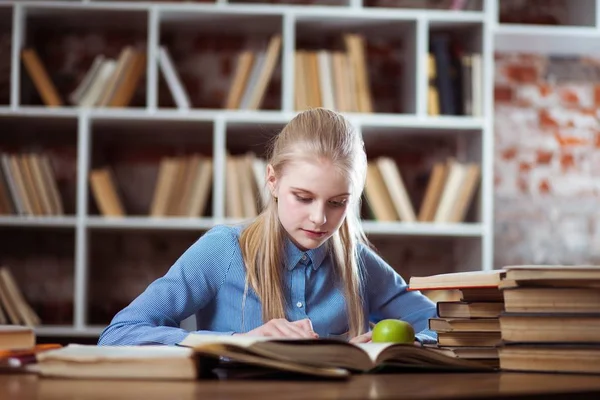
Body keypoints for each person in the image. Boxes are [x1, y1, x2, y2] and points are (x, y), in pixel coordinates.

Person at [98, 108, 438, 346]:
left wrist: (389, 345)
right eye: (303, 197)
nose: (320, 218)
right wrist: (240, 343)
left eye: (337, 203)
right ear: (273, 181)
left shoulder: (356, 261)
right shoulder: (223, 249)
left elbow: (442, 327)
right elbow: (119, 333)